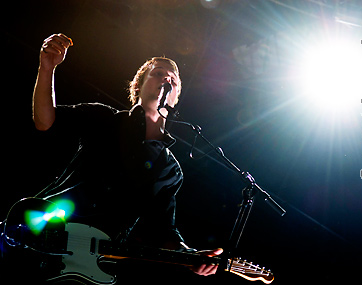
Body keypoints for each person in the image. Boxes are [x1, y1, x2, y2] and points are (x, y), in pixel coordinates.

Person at [32, 33, 223, 282]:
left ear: (176, 97)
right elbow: (44, 122)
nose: (166, 78)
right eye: (157, 73)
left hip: (85, 263)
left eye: (173, 80)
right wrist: (47, 69)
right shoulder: (105, 119)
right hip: (43, 229)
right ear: (138, 86)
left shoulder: (170, 170)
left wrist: (191, 255)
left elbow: (163, 231)